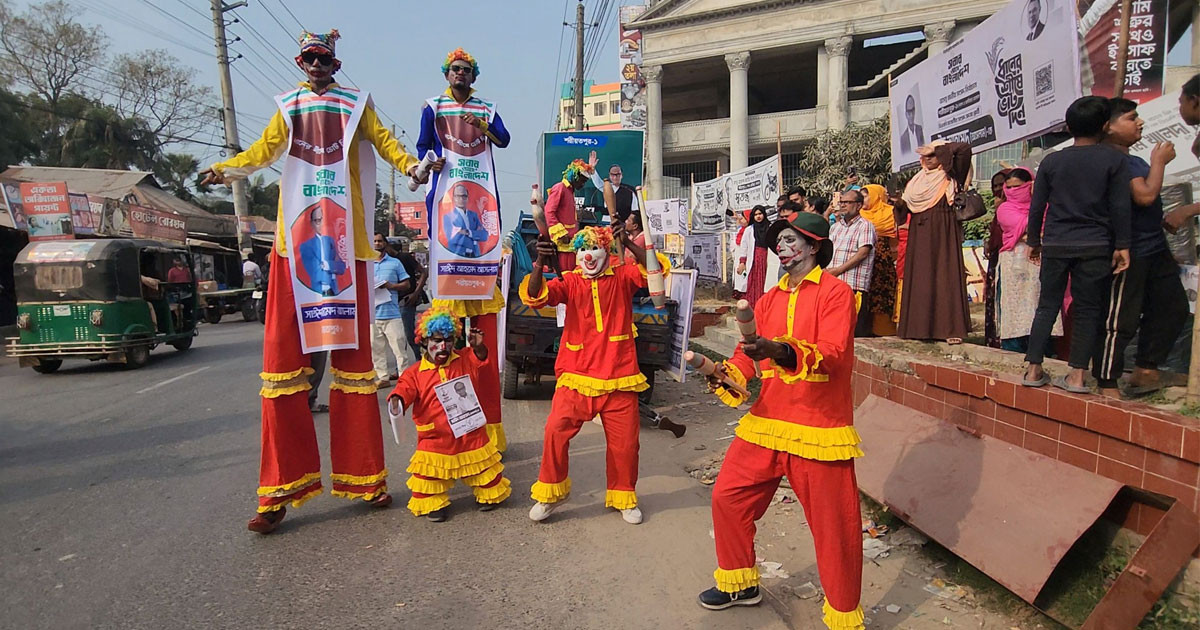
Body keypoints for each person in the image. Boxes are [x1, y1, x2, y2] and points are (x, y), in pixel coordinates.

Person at [200, 28, 428, 534]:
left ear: (335, 62)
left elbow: (388, 144)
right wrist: (226, 169)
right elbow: (261, 152)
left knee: (355, 366)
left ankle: (366, 477)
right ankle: (280, 490)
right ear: (301, 62)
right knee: (282, 369)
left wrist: (412, 166)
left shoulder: (356, 104)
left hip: (349, 249)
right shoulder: (288, 106)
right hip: (293, 245)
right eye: (309, 58)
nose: (317, 66)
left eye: (324, 58)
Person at [695, 212, 863, 628]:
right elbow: (746, 355)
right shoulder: (767, 301)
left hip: (819, 427)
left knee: (833, 527)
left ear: (812, 246)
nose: (782, 248)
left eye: (790, 240)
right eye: (778, 242)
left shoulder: (837, 294)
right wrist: (726, 373)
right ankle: (739, 583)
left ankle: (844, 615)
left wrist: (779, 349)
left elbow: (833, 352)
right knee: (727, 496)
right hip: (768, 420)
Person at [519, 224, 655, 525]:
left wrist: (628, 244)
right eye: (581, 249)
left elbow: (652, 269)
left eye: (594, 248)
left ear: (606, 251)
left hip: (619, 374)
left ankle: (623, 495)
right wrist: (540, 264)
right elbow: (535, 294)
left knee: (626, 444)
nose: (587, 256)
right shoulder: (569, 282)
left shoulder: (622, 277)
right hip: (576, 374)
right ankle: (552, 493)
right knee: (555, 432)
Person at [419, 47, 510, 453]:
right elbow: (423, 147)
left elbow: (504, 141)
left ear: (474, 76)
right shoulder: (432, 106)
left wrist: (481, 126)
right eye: (455, 69)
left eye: (467, 70)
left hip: (480, 240)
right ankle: (449, 430)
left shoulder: (488, 107)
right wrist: (429, 163)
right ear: (446, 73)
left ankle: (488, 430)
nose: (461, 75)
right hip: (444, 251)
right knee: (447, 345)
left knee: (482, 349)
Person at [1023, 96, 1131, 394]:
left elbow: (1038, 205)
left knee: (1047, 305)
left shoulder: (1052, 161)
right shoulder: (1114, 160)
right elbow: (1120, 206)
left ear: (1069, 127)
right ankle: (1079, 376)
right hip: (1096, 245)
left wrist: (1034, 240)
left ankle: (1033, 369)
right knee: (1087, 309)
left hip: (1057, 243)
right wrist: (1123, 245)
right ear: (1106, 126)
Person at [1093, 98, 1188, 398]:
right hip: (1127, 249)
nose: (1140, 123)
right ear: (1108, 127)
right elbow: (1144, 196)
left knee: (1173, 307)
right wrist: (1159, 161)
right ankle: (1107, 379)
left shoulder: (1132, 159)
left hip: (1154, 247)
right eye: (1132, 118)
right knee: (1121, 317)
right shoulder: (1113, 160)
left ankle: (1146, 369)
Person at [387, 306, 510, 522]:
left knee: (487, 474)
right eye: (436, 340)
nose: (443, 346)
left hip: (470, 435)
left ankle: (487, 495)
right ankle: (435, 503)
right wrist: (397, 400)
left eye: (449, 340)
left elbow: (481, 359)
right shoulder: (414, 373)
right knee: (428, 480)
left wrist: (479, 347)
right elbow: (403, 389)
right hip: (435, 439)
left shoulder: (464, 358)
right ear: (424, 341)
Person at [894, 140, 973, 344]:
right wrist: (900, 205)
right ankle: (918, 328)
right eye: (923, 156)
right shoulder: (916, 181)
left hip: (943, 231)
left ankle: (950, 329)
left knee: (944, 275)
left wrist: (939, 148)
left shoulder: (951, 175)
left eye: (931, 156)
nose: (925, 160)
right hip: (920, 233)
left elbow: (964, 149)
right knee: (921, 277)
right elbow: (907, 208)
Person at [994, 167, 1063, 353]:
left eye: (1018, 187)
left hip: (1040, 261)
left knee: (1039, 305)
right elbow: (1029, 224)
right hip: (1013, 262)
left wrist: (1040, 200)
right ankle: (1014, 350)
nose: (1013, 192)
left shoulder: (1048, 206)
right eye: (1009, 188)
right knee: (1015, 310)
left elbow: (1052, 223)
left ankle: (1043, 350)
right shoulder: (1005, 208)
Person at [828, 188, 876, 337]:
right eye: (841, 202)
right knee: (835, 332)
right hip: (833, 285)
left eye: (847, 202)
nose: (843, 205)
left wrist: (838, 270)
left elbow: (863, 253)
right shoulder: (836, 227)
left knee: (854, 334)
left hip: (854, 287)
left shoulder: (865, 225)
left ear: (859, 205)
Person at [372, 233, 413, 387]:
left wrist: (390, 286)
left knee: (399, 348)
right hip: (373, 315)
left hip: (392, 313)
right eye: (374, 241)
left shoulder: (395, 263)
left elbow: (407, 284)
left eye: (380, 241)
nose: (377, 244)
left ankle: (404, 377)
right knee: (376, 349)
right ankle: (383, 377)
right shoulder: (366, 264)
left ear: (385, 243)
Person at [544, 156, 599, 272]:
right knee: (566, 275)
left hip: (571, 243)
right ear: (575, 177)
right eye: (582, 181)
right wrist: (561, 234)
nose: (583, 185)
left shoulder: (570, 190)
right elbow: (549, 212)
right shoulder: (560, 188)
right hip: (563, 244)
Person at [859, 184, 898, 336]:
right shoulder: (859, 215)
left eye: (866, 195)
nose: (863, 199)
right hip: (863, 262)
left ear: (877, 195)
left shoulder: (891, 213)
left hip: (885, 263)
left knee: (883, 297)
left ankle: (884, 331)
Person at [297, 207, 346, 296]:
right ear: (312, 224)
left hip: (335, 291)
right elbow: (315, 272)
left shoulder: (332, 241)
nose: (322, 224)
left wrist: (327, 265)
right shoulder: (306, 246)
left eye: (323, 219)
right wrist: (333, 268)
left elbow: (342, 267)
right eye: (317, 221)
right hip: (317, 293)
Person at [393, 240, 427, 363]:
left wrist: (416, 293)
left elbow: (423, 272)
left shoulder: (404, 258)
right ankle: (400, 366)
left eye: (379, 242)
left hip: (406, 300)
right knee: (397, 337)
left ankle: (421, 359)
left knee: (409, 334)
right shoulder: (381, 262)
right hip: (390, 302)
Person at [442, 184, 489, 258]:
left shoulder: (473, 215)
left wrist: (467, 232)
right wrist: (475, 235)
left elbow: (484, 235)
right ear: (453, 198)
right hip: (457, 256)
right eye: (458, 196)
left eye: (464, 196)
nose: (461, 199)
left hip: (475, 255)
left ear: (467, 198)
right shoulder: (448, 217)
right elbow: (452, 239)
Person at [744, 205, 771, 307]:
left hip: (767, 257)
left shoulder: (769, 227)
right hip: (754, 259)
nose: (758, 216)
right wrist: (742, 261)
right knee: (753, 282)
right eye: (756, 214)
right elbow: (744, 246)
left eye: (760, 214)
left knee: (766, 281)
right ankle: (753, 306)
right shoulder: (749, 230)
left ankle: (765, 306)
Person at [732, 210, 753, 298]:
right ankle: (738, 290)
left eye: (744, 218)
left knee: (744, 275)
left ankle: (744, 292)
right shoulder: (740, 230)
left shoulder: (750, 230)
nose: (741, 220)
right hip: (738, 255)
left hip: (745, 256)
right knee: (738, 274)